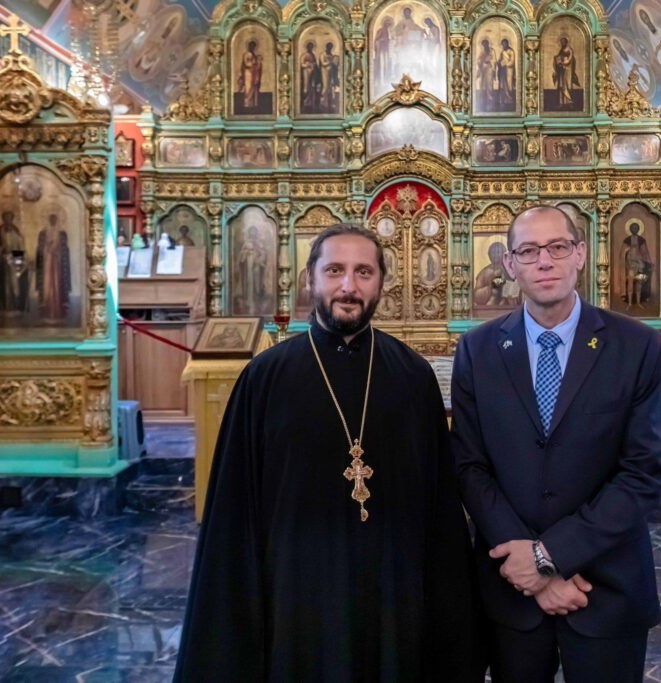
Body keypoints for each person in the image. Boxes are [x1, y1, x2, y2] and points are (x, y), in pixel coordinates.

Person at [174, 223, 485, 683]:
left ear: (381, 283)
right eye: (335, 270)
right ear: (310, 279)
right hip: (296, 594)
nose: (348, 286)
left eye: (364, 272)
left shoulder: (412, 377)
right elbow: (232, 517)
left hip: (392, 594)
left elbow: (440, 510)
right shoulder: (265, 378)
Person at [452, 205, 661, 682]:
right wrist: (528, 567)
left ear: (581, 255)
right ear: (510, 265)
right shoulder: (478, 350)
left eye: (558, 247)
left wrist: (548, 557)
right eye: (529, 251)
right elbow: (469, 466)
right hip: (512, 591)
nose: (544, 261)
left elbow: (643, 471)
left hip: (605, 586)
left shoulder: (636, 347)